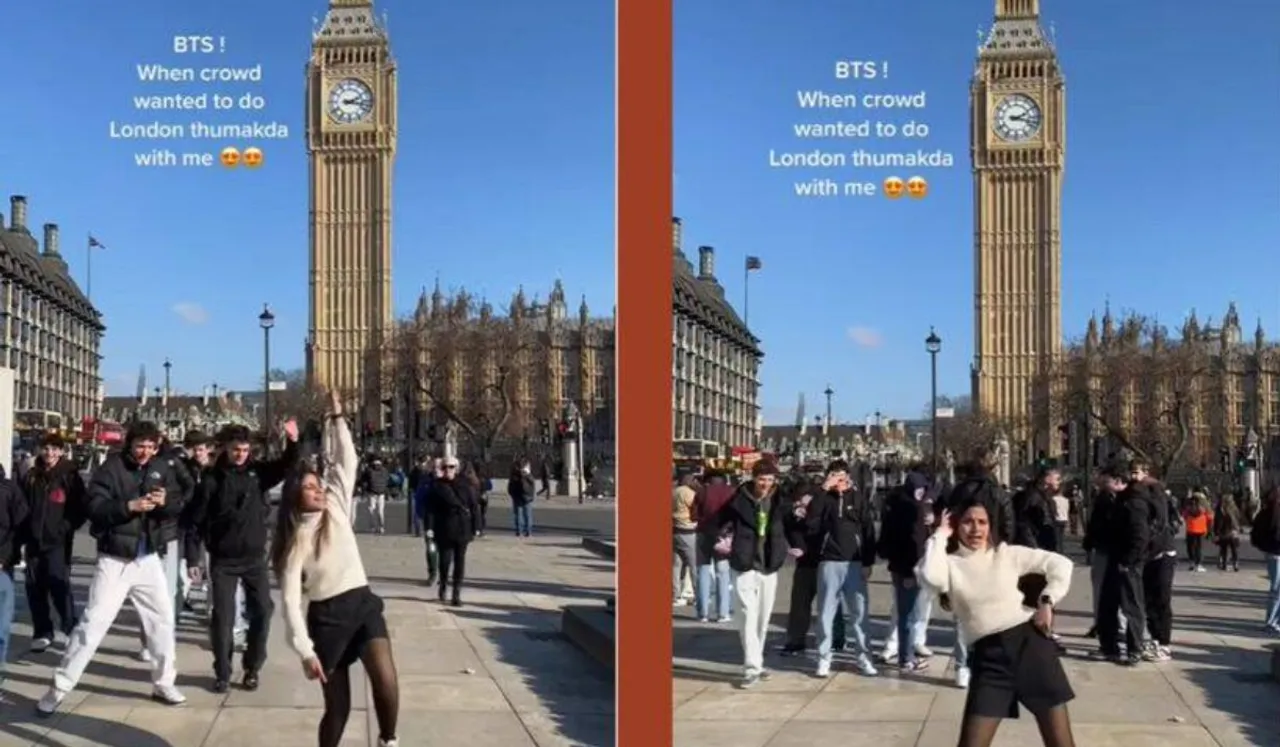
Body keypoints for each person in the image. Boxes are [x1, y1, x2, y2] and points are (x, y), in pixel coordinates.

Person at [275, 391, 400, 747]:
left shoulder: (337, 506)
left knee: (385, 677)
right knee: (338, 709)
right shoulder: (295, 539)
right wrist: (305, 650)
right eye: (309, 487)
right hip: (326, 618)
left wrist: (337, 418)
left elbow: (348, 460)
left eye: (317, 485)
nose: (317, 491)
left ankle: (388, 740)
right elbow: (288, 603)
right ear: (296, 496)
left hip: (361, 603)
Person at [38, 421, 187, 714]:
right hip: (114, 559)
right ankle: (59, 688)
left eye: (151, 446)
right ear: (129, 444)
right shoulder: (111, 468)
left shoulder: (160, 467)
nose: (145, 452)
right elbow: (94, 507)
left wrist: (165, 502)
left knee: (163, 620)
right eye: (140, 445)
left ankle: (163, 681)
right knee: (92, 625)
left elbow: (177, 504)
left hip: (147, 557)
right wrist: (129, 507)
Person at [916, 496, 1076, 747]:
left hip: (1031, 650)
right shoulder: (950, 563)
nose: (975, 529)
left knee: (1060, 744)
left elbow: (1061, 564)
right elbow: (932, 579)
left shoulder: (1007, 554)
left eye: (982, 522)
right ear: (956, 525)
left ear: (991, 526)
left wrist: (1047, 600)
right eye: (968, 522)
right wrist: (939, 535)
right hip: (989, 659)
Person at [187, 422, 299, 693]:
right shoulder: (212, 480)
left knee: (263, 610)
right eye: (236, 449)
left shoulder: (257, 473)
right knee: (223, 618)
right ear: (226, 448)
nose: (241, 454)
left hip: (254, 559)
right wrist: (193, 560)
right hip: (223, 560)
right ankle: (223, 672)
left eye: (246, 450)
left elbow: (286, 465)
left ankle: (252, 667)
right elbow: (194, 523)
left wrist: (293, 441)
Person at [713, 460, 802, 688]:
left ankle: (757, 663)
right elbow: (719, 522)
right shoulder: (738, 500)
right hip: (744, 564)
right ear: (754, 478)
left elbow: (792, 525)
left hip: (769, 565)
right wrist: (722, 539)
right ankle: (751, 667)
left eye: (770, 480)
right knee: (747, 615)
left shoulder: (780, 501)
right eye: (762, 479)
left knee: (762, 619)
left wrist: (796, 545)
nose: (765, 484)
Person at [810, 460, 878, 678]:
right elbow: (811, 520)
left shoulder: (858, 499)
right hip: (829, 561)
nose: (838, 479)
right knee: (825, 614)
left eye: (841, 475)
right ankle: (823, 658)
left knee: (859, 614)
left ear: (848, 476)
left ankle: (864, 657)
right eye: (833, 475)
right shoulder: (824, 498)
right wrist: (823, 489)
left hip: (854, 562)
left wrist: (868, 562)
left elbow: (868, 530)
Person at [21, 433, 87, 653]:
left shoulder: (69, 475)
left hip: (57, 541)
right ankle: (42, 631)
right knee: (34, 587)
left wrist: (64, 529)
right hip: (33, 541)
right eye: (46, 448)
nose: (49, 453)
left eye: (54, 449)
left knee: (59, 585)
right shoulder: (32, 475)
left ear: (61, 451)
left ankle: (69, 629)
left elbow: (80, 509)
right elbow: (23, 506)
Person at [877, 471, 934, 673]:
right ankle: (906, 657)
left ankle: (906, 653)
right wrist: (910, 572)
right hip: (908, 568)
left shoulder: (901, 507)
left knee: (908, 613)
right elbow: (910, 543)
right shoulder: (909, 510)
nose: (921, 494)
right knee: (907, 614)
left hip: (904, 566)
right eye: (919, 490)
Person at [1094, 467, 1149, 665]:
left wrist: (1129, 561)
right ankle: (1110, 647)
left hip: (1127, 561)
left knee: (1131, 606)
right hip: (1116, 557)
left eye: (1107, 479)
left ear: (1118, 481)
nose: (1102, 482)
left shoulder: (1133, 504)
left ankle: (1134, 648)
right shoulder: (1120, 500)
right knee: (1108, 604)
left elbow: (1139, 536)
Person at [1132, 460, 1177, 662]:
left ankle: (1164, 643)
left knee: (1161, 600)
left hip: (1162, 552)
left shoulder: (1154, 490)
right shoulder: (1140, 491)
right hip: (1149, 554)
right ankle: (1155, 640)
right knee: (1149, 600)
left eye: (1136, 472)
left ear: (1145, 472)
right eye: (1131, 472)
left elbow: (1160, 520)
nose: (1133, 476)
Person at [427, 456, 480, 606]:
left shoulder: (466, 484)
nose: (448, 470)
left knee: (460, 562)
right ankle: (443, 585)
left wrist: (477, 526)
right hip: (444, 527)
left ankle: (456, 593)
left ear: (456, 468)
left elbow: (474, 506)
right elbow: (430, 510)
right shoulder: (437, 486)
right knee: (444, 561)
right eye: (445, 467)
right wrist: (429, 528)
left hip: (463, 527)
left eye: (451, 467)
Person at [0, 463, 29, 685]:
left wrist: (3, 558)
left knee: (0, 629)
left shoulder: (9, 490)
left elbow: (20, 528)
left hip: (1, 567)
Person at [692, 470, 735, 623]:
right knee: (722, 572)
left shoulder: (702, 492)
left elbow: (694, 515)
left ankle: (702, 613)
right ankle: (723, 613)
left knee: (703, 571)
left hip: (704, 534)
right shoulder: (731, 492)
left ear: (708, 480)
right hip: (723, 535)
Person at [1249, 486, 1280, 634]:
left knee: (1277, 588)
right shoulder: (1271, 513)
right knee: (1276, 588)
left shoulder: (1267, 512)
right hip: (1275, 552)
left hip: (1272, 552)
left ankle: (1274, 620)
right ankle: (1271, 621)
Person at [413, 458, 442, 585]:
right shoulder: (425, 481)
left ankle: (443, 572)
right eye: (434, 466)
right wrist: (421, 514)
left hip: (446, 521)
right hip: (430, 520)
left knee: (445, 549)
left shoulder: (448, 481)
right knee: (431, 546)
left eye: (439, 466)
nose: (436, 469)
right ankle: (433, 572)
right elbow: (419, 498)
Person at [672, 471, 699, 606]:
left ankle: (675, 595)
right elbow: (695, 508)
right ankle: (698, 595)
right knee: (694, 564)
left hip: (674, 529)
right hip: (687, 530)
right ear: (689, 480)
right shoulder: (688, 493)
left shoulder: (673, 491)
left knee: (676, 565)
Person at [1182, 491, 1211, 573]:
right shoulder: (1204, 506)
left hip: (1190, 528)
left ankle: (1191, 562)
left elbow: (1184, 515)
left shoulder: (1188, 506)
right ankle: (1198, 564)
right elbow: (1210, 517)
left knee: (1191, 547)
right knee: (1199, 547)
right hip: (1201, 529)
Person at [359, 457, 390, 535]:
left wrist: (363, 490)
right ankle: (381, 527)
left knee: (371, 510)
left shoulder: (369, 470)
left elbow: (363, 480)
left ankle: (372, 527)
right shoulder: (384, 470)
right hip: (381, 493)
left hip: (372, 493)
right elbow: (387, 480)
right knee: (380, 511)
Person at [1213, 493, 1243, 572]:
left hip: (1224, 532)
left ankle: (1225, 564)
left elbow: (1217, 522)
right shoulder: (1234, 509)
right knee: (1233, 549)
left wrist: (1216, 533)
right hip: (1232, 532)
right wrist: (1238, 529)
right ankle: (1235, 563)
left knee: (1224, 548)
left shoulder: (1220, 510)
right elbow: (1239, 519)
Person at [509, 458, 536, 537]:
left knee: (518, 515)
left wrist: (512, 494)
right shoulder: (528, 475)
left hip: (517, 497)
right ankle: (528, 531)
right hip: (526, 497)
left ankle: (519, 531)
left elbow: (510, 487)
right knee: (527, 515)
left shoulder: (515, 475)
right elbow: (532, 486)